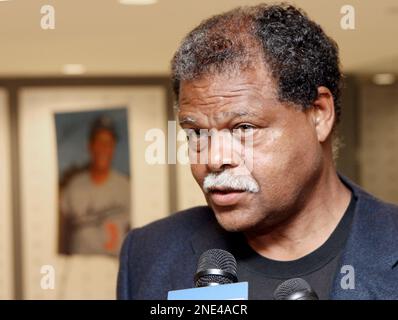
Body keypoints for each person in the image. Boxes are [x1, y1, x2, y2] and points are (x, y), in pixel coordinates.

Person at [117, 3, 398, 299]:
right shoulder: (149, 254)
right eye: (197, 133)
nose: (213, 159)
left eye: (244, 129)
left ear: (319, 114)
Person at [61, 116, 130, 257]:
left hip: (114, 266)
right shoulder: (74, 186)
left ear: (113, 148)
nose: (103, 148)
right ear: (90, 146)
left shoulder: (125, 186)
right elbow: (61, 234)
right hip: (80, 267)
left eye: (109, 143)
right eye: (99, 142)